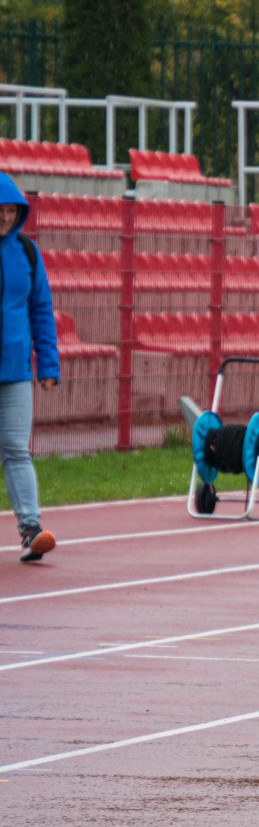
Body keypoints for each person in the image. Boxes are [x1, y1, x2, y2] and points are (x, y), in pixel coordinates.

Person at [0, 175, 57, 564]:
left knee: (17, 450)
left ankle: (31, 529)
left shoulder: (28, 253)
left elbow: (41, 311)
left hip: (17, 372)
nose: (4, 217)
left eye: (10, 211)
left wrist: (48, 364)